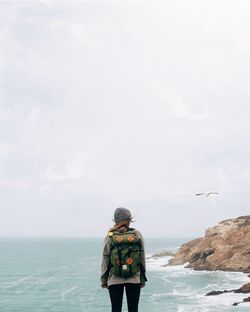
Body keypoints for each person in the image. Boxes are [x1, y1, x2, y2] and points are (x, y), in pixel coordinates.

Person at [100, 207, 147, 312]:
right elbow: (142, 258)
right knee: (133, 309)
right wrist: (142, 279)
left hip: (114, 279)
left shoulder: (110, 236)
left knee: (115, 309)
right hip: (134, 278)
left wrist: (104, 280)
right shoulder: (136, 234)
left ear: (115, 220)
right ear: (129, 220)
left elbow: (105, 259)